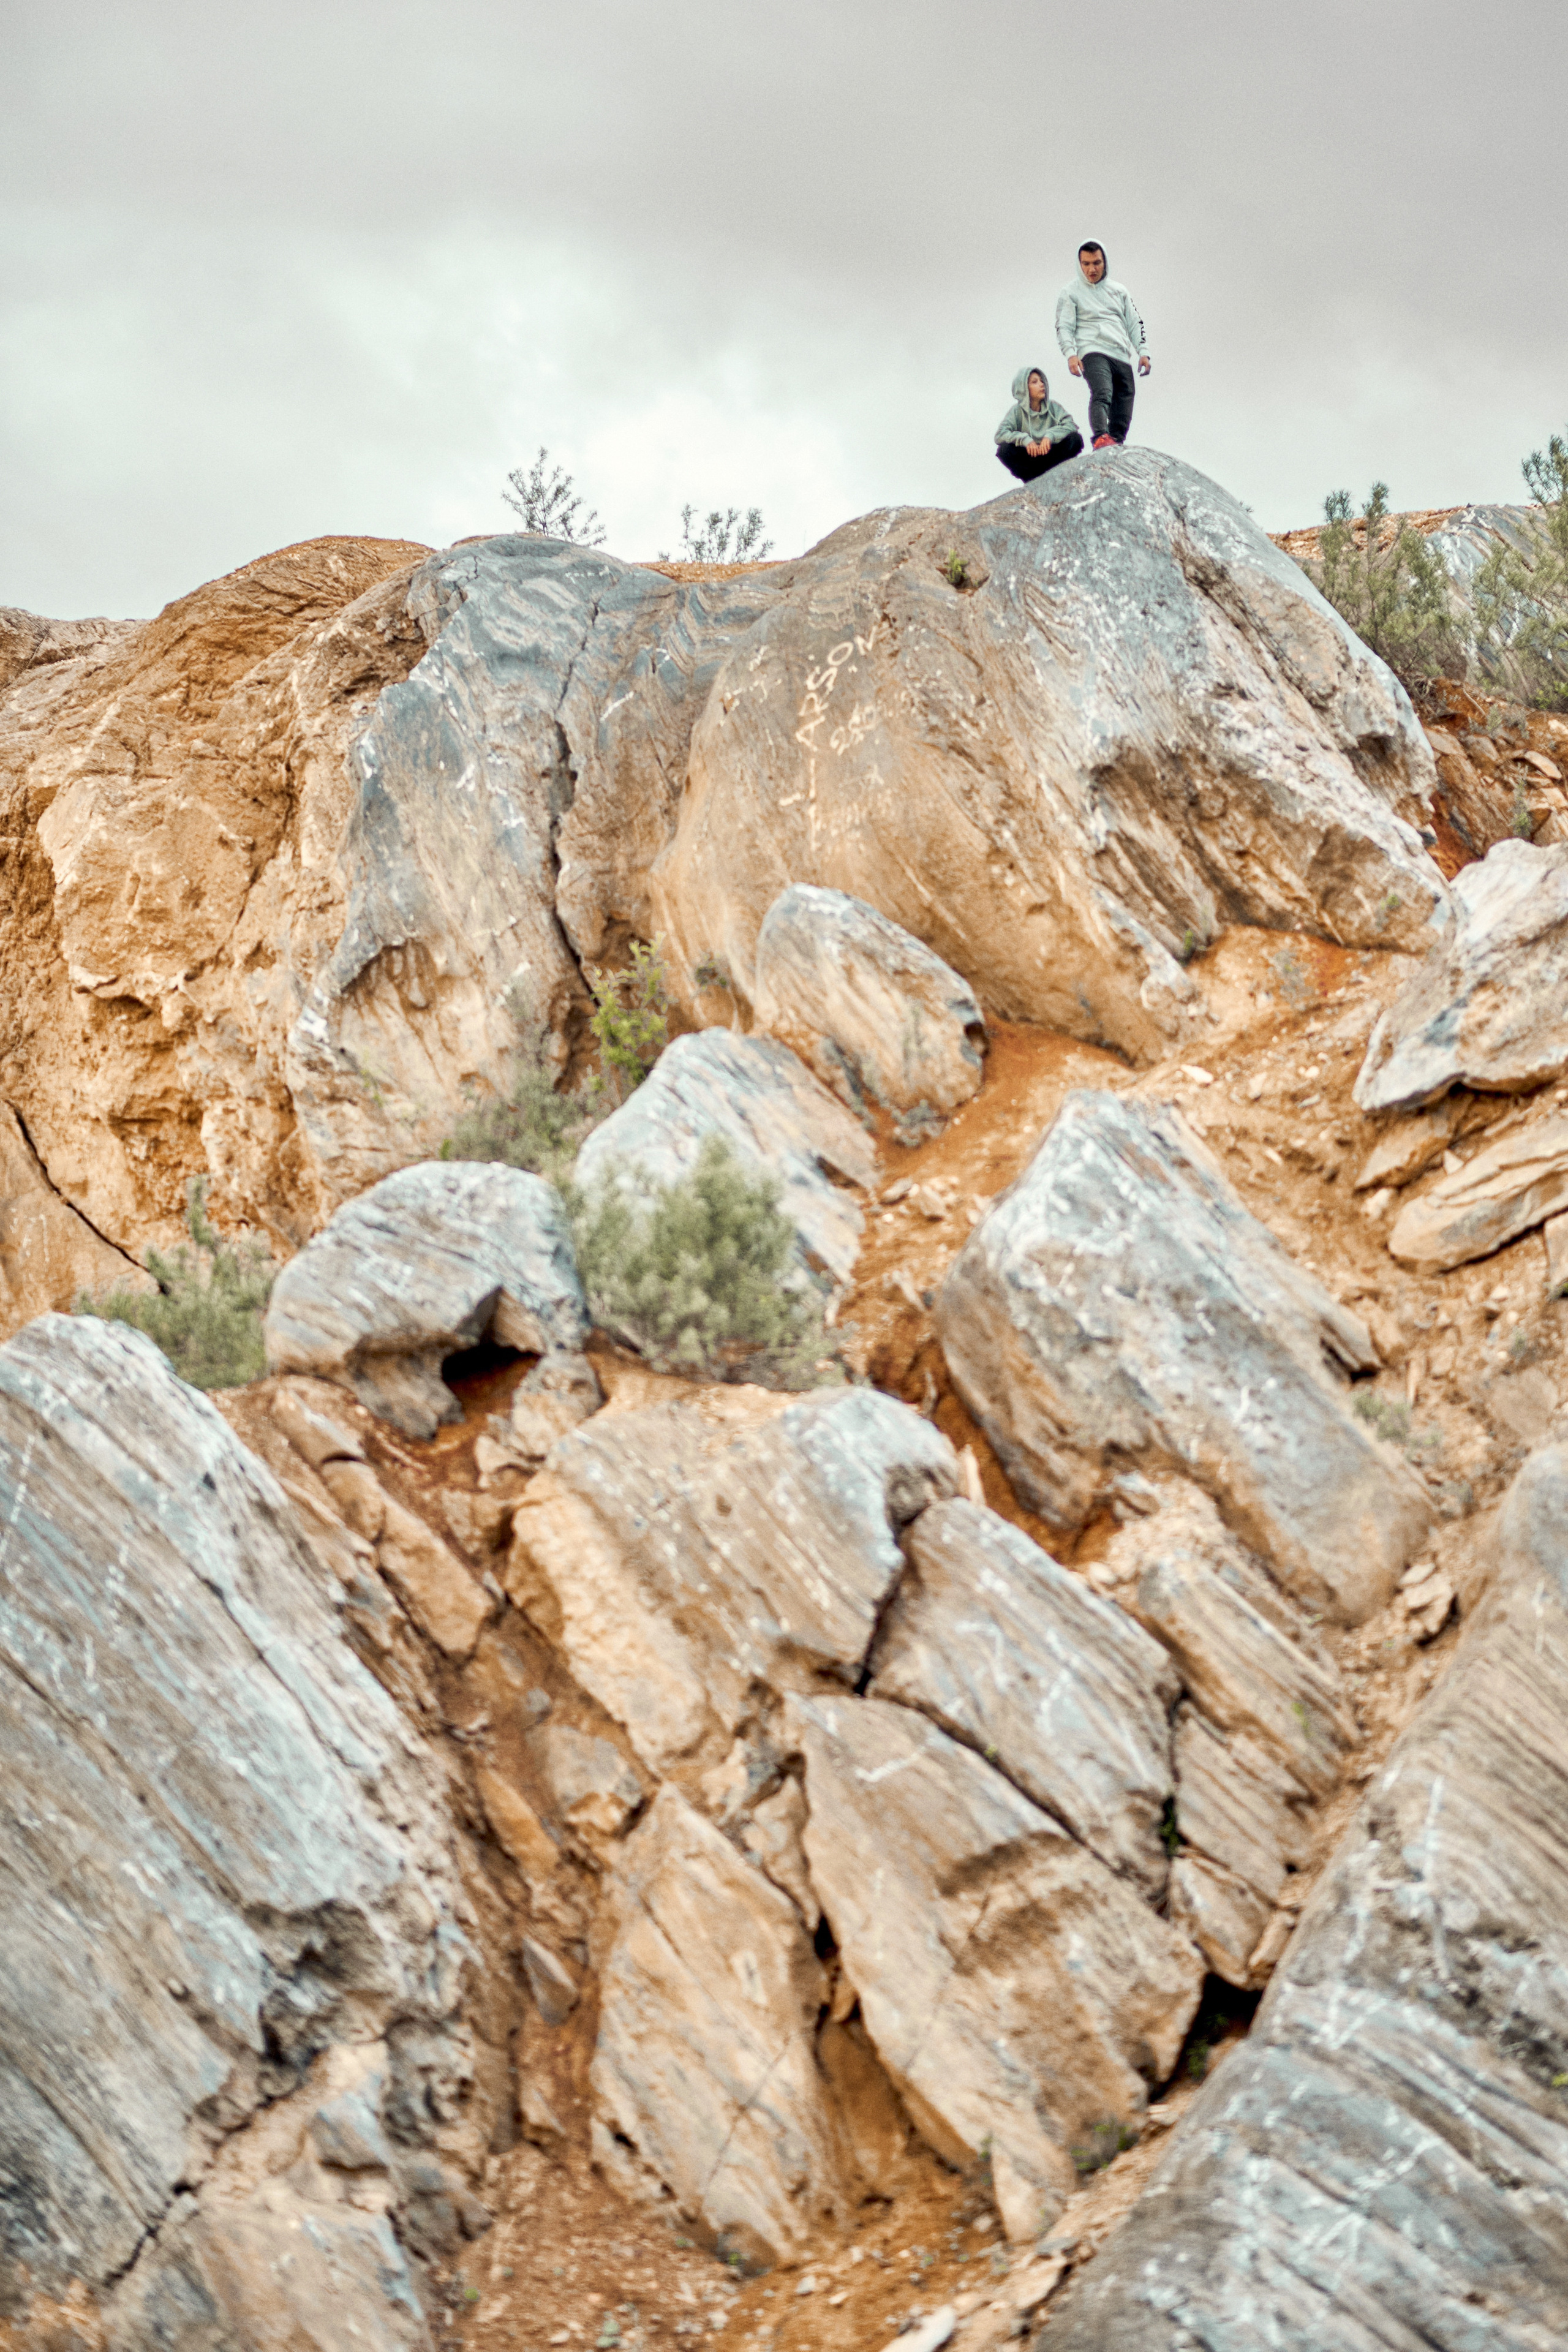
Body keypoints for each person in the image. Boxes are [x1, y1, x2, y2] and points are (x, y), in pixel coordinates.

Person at [1054, 243, 1150, 448]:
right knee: (1103, 391)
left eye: (1097, 263)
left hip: (1121, 353)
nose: (1092, 269)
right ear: (1079, 264)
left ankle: (1116, 441)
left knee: (1125, 396)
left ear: (1105, 262)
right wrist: (1071, 354)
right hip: (1092, 350)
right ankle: (1100, 436)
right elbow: (1064, 326)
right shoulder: (1070, 292)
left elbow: (1134, 322)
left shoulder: (1119, 291)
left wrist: (1143, 352)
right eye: (1086, 264)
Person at [993, 366, 1085, 482]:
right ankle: (1032, 480)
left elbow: (1071, 426)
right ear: (1024, 388)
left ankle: (1058, 472)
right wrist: (1025, 440)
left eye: (1042, 381)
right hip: (1031, 462)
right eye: (1035, 382)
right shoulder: (1017, 412)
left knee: (1075, 439)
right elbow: (1000, 435)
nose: (1042, 385)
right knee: (1004, 450)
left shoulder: (1053, 406)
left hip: (1053, 456)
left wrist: (1050, 436)